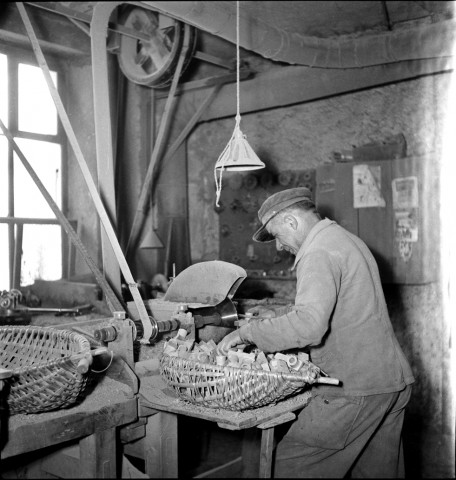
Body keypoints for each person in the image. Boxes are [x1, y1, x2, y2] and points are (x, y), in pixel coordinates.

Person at [217, 187, 415, 478]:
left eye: (277, 236)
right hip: (388, 382)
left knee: (286, 469)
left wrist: (248, 333)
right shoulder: (342, 240)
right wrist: (278, 314)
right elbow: (341, 307)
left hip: (354, 388)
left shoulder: (317, 252)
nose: (279, 247)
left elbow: (310, 325)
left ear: (292, 222)